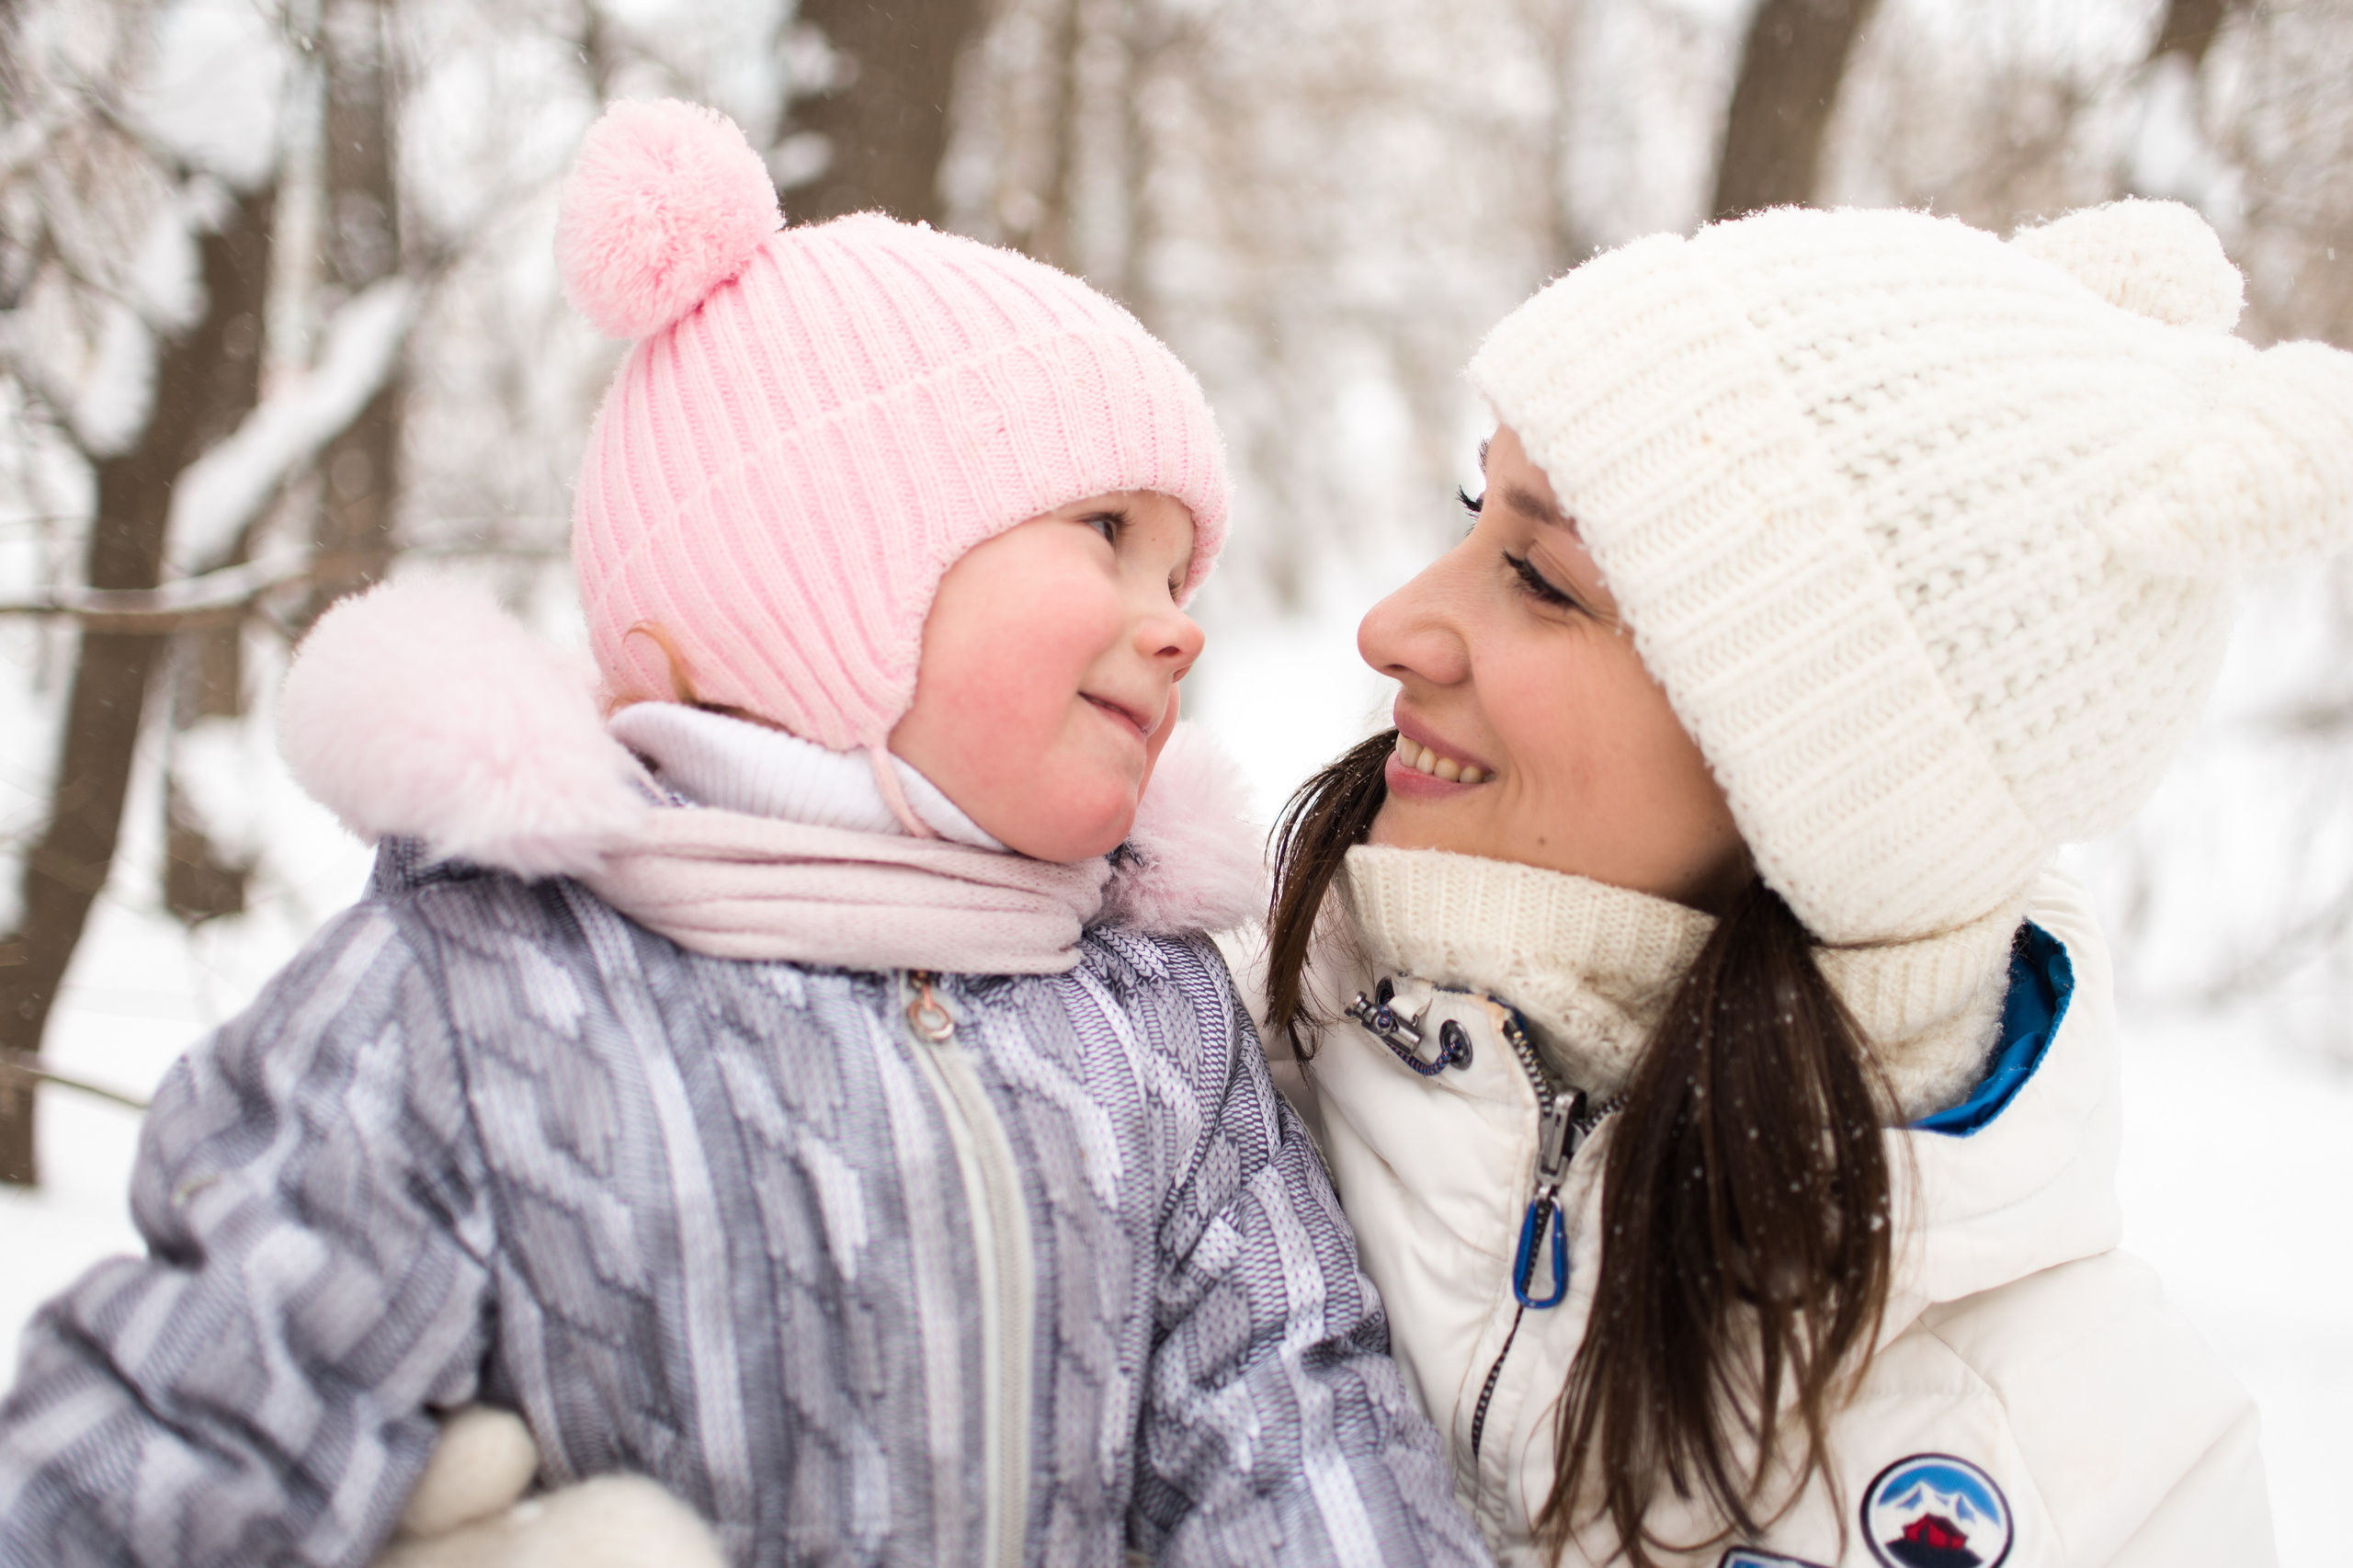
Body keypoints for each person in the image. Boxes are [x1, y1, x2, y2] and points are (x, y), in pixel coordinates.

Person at [0, 100, 1487, 1568]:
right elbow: (183, 1441)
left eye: (1184, 570)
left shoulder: (1152, 1030)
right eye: (1107, 532)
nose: (1179, 627)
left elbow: (1296, 1428)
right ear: (832, 562)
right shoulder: (477, 999)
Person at [1247, 199, 2348, 1566]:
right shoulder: (1193, 1100)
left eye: (1537, 574)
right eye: (1479, 511)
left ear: (1815, 773)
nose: (1393, 623)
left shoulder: (2114, 1476)